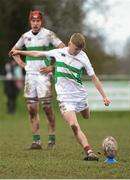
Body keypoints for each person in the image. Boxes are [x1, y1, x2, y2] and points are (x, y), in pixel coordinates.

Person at [11, 33, 110, 161]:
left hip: (79, 95)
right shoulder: (59, 52)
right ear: (69, 44)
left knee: (86, 116)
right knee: (74, 125)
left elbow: (94, 78)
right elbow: (37, 54)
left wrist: (104, 96)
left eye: (79, 50)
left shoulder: (83, 57)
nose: (77, 52)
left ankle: (84, 109)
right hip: (65, 98)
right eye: (75, 49)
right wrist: (19, 51)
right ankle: (89, 152)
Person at [9, 10, 65, 149]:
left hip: (44, 75)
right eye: (33, 21)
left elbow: (64, 50)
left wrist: (52, 67)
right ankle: (36, 141)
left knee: (46, 107)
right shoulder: (25, 37)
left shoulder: (49, 34)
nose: (35, 23)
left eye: (38, 21)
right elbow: (13, 52)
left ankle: (51, 140)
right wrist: (23, 65)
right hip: (30, 76)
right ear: (30, 21)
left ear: (41, 21)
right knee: (32, 109)